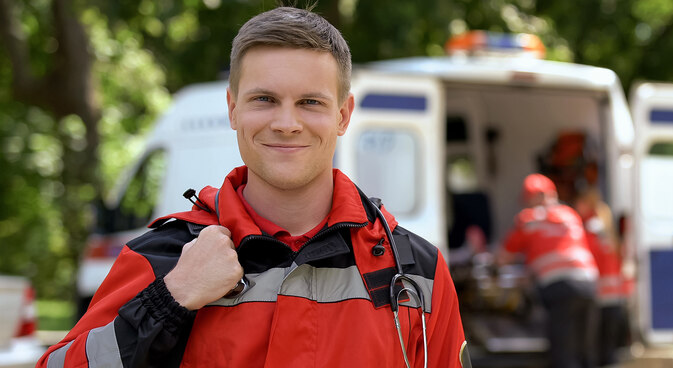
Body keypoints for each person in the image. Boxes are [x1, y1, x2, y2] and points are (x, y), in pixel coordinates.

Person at [39, 7, 470, 368]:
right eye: (264, 99)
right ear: (233, 109)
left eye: (310, 102)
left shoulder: (417, 272)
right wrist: (171, 298)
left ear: (343, 115)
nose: (286, 123)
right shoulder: (164, 260)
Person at [497, 174, 598, 368]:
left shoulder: (529, 219)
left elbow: (503, 257)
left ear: (534, 197)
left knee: (563, 352)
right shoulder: (570, 214)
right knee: (584, 350)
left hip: (559, 288)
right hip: (589, 283)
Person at [574, 186, 629, 366]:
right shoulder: (605, 225)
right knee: (609, 344)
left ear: (585, 203)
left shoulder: (589, 227)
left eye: (578, 202)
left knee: (594, 342)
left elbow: (588, 255)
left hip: (597, 291)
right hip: (614, 293)